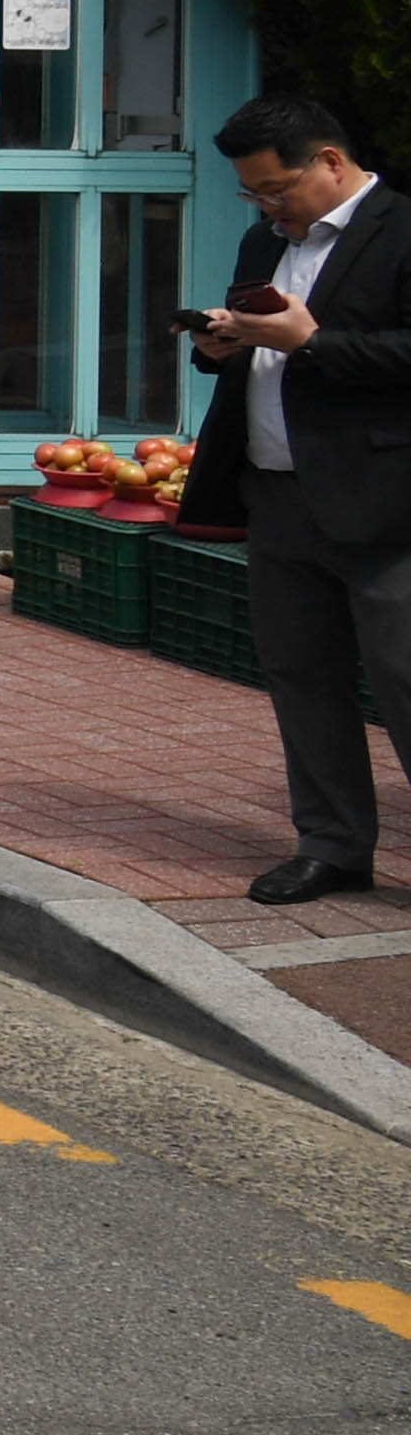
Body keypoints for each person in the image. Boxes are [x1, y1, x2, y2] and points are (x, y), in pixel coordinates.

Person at [175, 95, 411, 904]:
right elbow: (260, 337)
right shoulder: (264, 240)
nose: (267, 208)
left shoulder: (402, 229)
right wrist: (221, 344)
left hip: (385, 501)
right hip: (276, 494)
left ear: (331, 164)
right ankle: (335, 844)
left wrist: (313, 344)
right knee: (300, 675)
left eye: (276, 190)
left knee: (404, 677)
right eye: (253, 195)